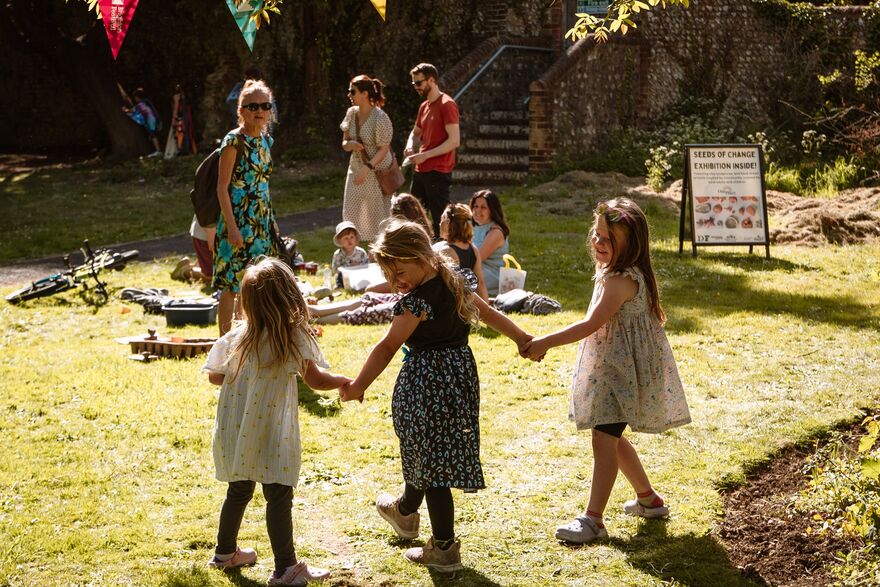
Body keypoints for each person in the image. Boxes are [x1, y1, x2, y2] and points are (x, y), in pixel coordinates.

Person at [338, 220, 532, 572]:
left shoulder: (417, 304)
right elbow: (486, 313)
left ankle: (443, 549)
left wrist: (358, 385)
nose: (397, 280)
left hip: (426, 386)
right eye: (389, 273)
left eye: (400, 270)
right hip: (458, 381)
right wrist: (520, 337)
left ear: (422, 256)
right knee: (428, 451)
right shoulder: (454, 282)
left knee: (433, 465)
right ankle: (406, 512)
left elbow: (386, 348)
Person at [521, 198, 691, 544]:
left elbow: (590, 324)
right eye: (597, 235)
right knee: (610, 438)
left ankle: (593, 519)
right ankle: (649, 499)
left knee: (604, 439)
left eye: (609, 239)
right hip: (614, 367)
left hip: (622, 371)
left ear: (632, 245)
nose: (599, 243)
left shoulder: (622, 279)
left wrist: (544, 342)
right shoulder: (613, 272)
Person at [204, 258, 349, 585]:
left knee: (239, 489)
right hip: (271, 429)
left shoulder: (236, 335)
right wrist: (344, 381)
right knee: (279, 494)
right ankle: (285, 567)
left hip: (238, 428)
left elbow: (215, 376)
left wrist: (243, 380)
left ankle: (224, 553)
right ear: (289, 296)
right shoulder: (291, 335)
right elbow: (315, 380)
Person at [214, 79, 279, 335]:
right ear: (241, 110)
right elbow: (222, 188)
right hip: (238, 218)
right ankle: (224, 343)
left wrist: (272, 221)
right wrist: (232, 227)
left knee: (253, 283)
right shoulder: (234, 141)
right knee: (231, 284)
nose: (259, 111)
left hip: (261, 221)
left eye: (265, 105)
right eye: (253, 106)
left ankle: (245, 338)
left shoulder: (265, 141)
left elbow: (264, 184)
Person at [404, 63, 460, 237]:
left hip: (438, 170)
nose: (416, 88)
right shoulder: (424, 106)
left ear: (431, 80)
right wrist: (409, 145)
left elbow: (454, 141)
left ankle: (443, 254)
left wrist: (425, 155)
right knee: (412, 217)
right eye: (414, 84)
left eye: (419, 83)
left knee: (440, 219)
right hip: (421, 170)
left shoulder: (447, 104)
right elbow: (415, 132)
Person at [340, 75, 395, 242]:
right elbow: (344, 142)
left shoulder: (380, 117)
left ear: (364, 94)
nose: (349, 95)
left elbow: (384, 148)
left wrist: (368, 167)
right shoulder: (351, 113)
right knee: (350, 213)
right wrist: (350, 145)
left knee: (377, 217)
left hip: (376, 171)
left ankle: (378, 254)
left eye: (353, 91)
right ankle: (350, 254)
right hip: (355, 169)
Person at [436, 203, 489, 300]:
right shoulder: (473, 249)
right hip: (467, 304)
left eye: (441, 220)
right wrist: (486, 310)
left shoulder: (447, 251)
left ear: (448, 223)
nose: (439, 224)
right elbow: (480, 284)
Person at [469, 190, 510, 297]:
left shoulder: (495, 232)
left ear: (492, 210)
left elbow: (476, 258)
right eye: (475, 206)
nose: (478, 210)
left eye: (483, 207)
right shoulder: (473, 227)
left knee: (459, 278)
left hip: (492, 275)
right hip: (478, 269)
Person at [124, 88, 162, 157]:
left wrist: (125, 110)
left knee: (153, 135)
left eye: (135, 97)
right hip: (154, 118)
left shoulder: (140, 104)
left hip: (150, 120)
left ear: (137, 97)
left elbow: (132, 111)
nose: (135, 99)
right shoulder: (147, 102)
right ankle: (158, 150)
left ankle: (158, 151)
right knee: (153, 135)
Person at [331, 221, 370, 288]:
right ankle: (340, 286)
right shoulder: (338, 254)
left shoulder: (361, 252)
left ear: (356, 238)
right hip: (345, 277)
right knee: (339, 277)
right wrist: (346, 268)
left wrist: (358, 266)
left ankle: (362, 286)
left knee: (366, 277)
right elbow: (335, 269)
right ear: (340, 241)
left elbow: (367, 266)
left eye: (352, 237)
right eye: (346, 238)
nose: (349, 240)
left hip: (359, 275)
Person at [164, 84, 198, 159]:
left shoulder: (178, 98)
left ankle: (181, 150)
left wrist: (174, 119)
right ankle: (184, 150)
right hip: (184, 120)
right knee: (182, 134)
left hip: (181, 120)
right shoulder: (183, 98)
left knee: (179, 134)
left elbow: (176, 109)